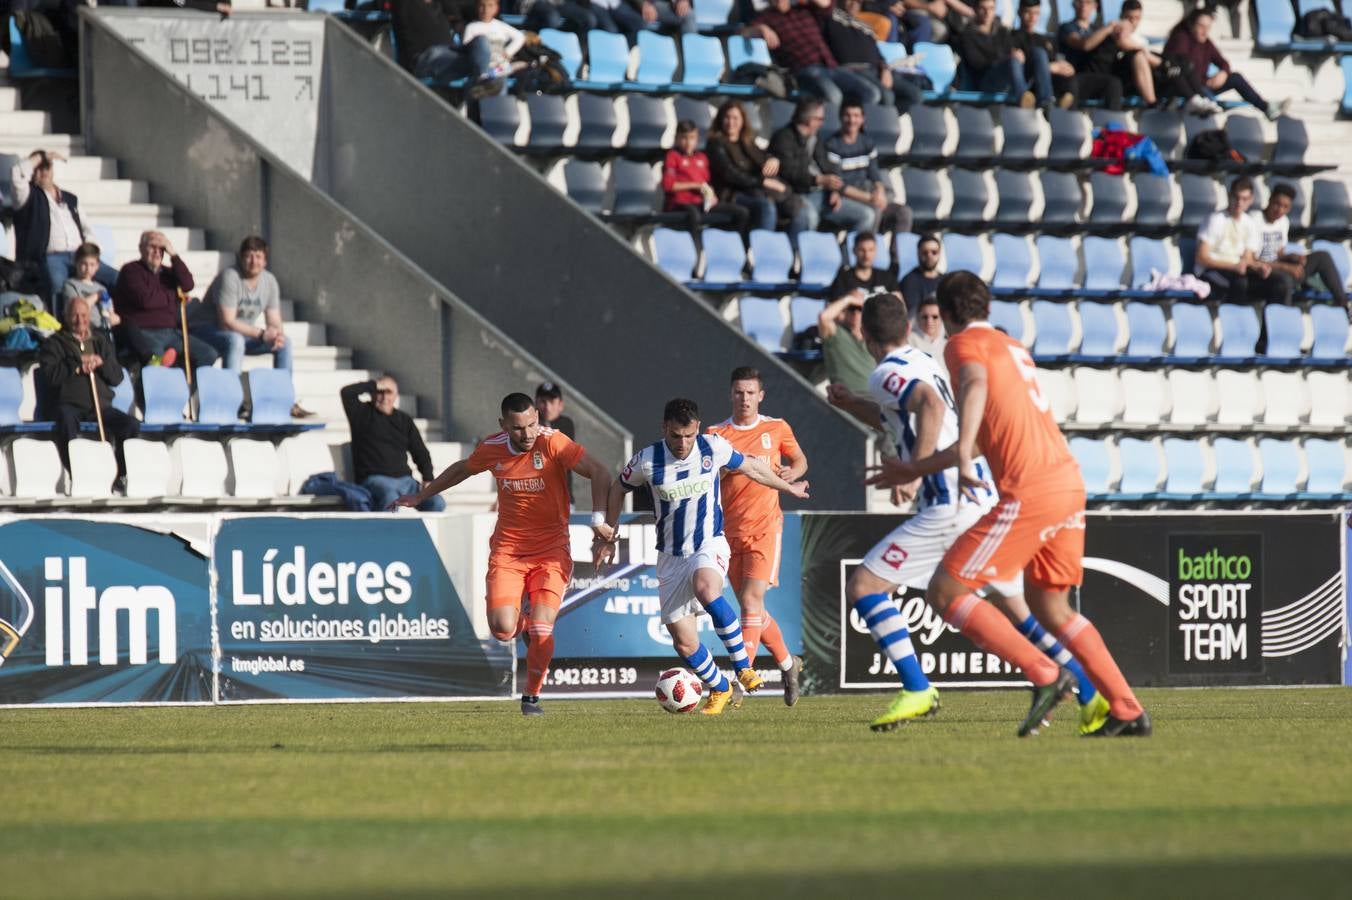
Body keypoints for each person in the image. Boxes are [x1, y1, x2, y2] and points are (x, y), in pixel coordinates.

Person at [868, 272, 1150, 737]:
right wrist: (917, 469)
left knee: (945, 591)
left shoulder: (962, 346)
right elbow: (987, 438)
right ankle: (1126, 709)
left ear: (951, 313)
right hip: (1067, 482)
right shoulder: (1014, 347)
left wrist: (958, 453)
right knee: (1052, 609)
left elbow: (975, 389)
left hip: (1031, 491)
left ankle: (1043, 674)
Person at [827, 292, 1103, 731]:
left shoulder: (885, 372)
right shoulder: (925, 361)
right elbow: (900, 414)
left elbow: (929, 408)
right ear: (906, 327)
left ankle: (919, 688)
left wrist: (914, 471)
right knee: (1017, 608)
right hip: (981, 497)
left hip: (947, 504)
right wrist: (852, 405)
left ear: (863, 334)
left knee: (864, 586)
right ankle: (1090, 696)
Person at [394, 392, 615, 716]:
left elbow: (601, 472)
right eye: (517, 428)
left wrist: (598, 522)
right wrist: (422, 495)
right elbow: (462, 469)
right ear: (503, 425)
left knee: (543, 630)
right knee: (501, 629)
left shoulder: (552, 442)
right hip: (508, 552)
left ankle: (531, 696)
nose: (527, 434)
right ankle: (522, 625)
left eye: (531, 425)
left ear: (538, 419)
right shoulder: (492, 448)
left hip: (551, 551)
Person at [597, 397, 809, 716]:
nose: (683, 443)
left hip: (708, 543)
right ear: (664, 429)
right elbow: (617, 488)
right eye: (675, 436)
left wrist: (786, 487)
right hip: (670, 556)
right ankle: (719, 688)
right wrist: (610, 533)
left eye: (688, 435)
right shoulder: (647, 459)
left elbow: (751, 466)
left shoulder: (713, 447)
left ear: (697, 428)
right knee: (684, 642)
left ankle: (743, 669)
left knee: (707, 589)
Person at [706, 367, 809, 706]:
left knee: (750, 602)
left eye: (751, 393)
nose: (745, 398)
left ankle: (740, 680)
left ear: (761, 395)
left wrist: (791, 472)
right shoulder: (715, 434)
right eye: (739, 392)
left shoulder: (776, 428)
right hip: (728, 532)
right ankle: (788, 663)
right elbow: (708, 476)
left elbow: (799, 460)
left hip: (766, 528)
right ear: (730, 394)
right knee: (754, 610)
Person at [37, 296, 140, 494]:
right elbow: (51, 376)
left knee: (131, 425)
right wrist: (76, 365)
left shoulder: (100, 341)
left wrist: (101, 364)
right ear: (66, 317)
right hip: (70, 404)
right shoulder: (54, 344)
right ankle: (77, 473)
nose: (79, 319)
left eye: (83, 315)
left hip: (100, 407)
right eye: (74, 315)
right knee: (66, 421)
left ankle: (118, 474)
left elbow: (117, 377)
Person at [1059, 0, 1215, 114]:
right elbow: (1085, 44)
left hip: (1120, 75)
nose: (1084, 6)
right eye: (1080, 2)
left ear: (1095, 6)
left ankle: (1195, 98)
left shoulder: (1098, 29)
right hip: (1088, 77)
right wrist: (1111, 27)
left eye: (1088, 3)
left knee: (1180, 63)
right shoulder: (1069, 28)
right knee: (1140, 59)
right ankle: (1161, 101)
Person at [10, 150, 116, 309]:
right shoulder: (27, 196)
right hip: (51, 256)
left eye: (47, 167)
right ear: (32, 172)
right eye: (38, 168)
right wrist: (42, 157)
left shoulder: (70, 198)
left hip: (80, 254)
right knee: (56, 282)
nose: (43, 171)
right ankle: (60, 329)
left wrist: (91, 250)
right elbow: (17, 173)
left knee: (118, 278)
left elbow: (86, 228)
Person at [112, 230, 220, 370]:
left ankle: (186, 389)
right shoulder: (130, 270)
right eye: (153, 247)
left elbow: (188, 284)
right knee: (157, 360)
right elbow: (146, 300)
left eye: (161, 248)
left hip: (171, 332)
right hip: (143, 331)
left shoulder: (169, 273)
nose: (157, 252)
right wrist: (174, 294)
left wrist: (173, 254)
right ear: (141, 248)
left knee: (208, 354)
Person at [747, 0, 886, 108]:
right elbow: (743, 32)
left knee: (871, 94)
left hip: (830, 66)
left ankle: (857, 133)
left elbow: (827, 5)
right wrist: (762, 28)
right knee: (834, 96)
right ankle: (830, 134)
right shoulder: (766, 18)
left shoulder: (806, 10)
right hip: (805, 71)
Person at [341, 376, 446, 513]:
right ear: (373, 393)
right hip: (374, 480)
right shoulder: (361, 413)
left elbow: (420, 451)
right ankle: (386, 534)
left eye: (389, 392)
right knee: (391, 497)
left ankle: (424, 534)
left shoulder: (404, 420)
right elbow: (347, 392)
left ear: (396, 396)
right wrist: (375, 384)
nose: (384, 397)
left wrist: (428, 478)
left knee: (437, 502)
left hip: (406, 481)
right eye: (380, 392)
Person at [189, 236, 292, 374]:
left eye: (258, 256)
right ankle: (232, 392)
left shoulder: (269, 281)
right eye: (249, 256)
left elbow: (274, 319)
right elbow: (227, 322)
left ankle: (283, 392)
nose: (254, 261)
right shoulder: (230, 277)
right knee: (235, 340)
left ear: (265, 261)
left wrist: (277, 335)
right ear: (241, 258)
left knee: (285, 343)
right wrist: (261, 334)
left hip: (242, 334)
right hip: (206, 329)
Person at [1164, 8, 1290, 121]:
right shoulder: (1181, 39)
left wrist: (1223, 73)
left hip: (1202, 85)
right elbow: (1182, 66)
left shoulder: (1206, 43)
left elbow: (1223, 62)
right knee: (1210, 103)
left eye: (1208, 27)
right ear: (1191, 25)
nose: (1205, 31)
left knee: (1235, 78)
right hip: (1185, 88)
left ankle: (1266, 107)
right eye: (1201, 26)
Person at [769, 97, 871, 235]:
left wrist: (833, 190)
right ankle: (799, 253)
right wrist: (817, 180)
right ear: (811, 120)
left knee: (866, 215)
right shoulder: (783, 139)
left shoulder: (815, 139)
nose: (822, 123)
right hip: (795, 194)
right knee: (809, 217)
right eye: (821, 119)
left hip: (821, 195)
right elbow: (789, 172)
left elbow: (828, 165)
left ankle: (850, 254)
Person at [1254, 183, 1351, 313]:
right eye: (1277, 204)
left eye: (1285, 207)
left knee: (1322, 256)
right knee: (1285, 280)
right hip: (1261, 273)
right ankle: (1284, 321)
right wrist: (1286, 267)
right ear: (1270, 199)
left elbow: (1279, 253)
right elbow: (1253, 260)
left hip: (1279, 267)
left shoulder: (1283, 221)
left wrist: (1292, 257)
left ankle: (1343, 306)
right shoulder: (1255, 220)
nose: (1280, 210)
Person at [820, 101, 913, 233]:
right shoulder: (832, 145)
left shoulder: (867, 143)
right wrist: (870, 198)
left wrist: (879, 191)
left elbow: (874, 174)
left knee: (903, 212)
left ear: (862, 119)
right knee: (874, 211)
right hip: (849, 197)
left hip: (868, 193)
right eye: (847, 115)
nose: (852, 120)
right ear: (840, 117)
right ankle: (868, 250)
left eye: (856, 116)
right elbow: (838, 185)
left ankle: (898, 253)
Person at [706, 100, 795, 235]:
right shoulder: (715, 144)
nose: (731, 122)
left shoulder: (747, 142)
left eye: (735, 118)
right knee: (766, 207)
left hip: (753, 190)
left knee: (794, 205)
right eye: (727, 117)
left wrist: (772, 159)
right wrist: (763, 182)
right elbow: (730, 174)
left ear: (742, 121)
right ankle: (763, 248)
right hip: (731, 194)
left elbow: (763, 157)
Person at [820, 234, 894, 396]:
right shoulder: (837, 336)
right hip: (849, 402)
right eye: (852, 309)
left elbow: (899, 309)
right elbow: (825, 317)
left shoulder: (877, 339)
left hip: (877, 401)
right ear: (854, 251)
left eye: (861, 309)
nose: (856, 313)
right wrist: (848, 299)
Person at [821, 0, 922, 112]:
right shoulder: (830, 20)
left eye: (858, 2)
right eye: (849, 0)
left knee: (914, 95)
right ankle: (879, 124)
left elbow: (877, 53)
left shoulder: (865, 27)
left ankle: (886, 121)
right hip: (853, 70)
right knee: (886, 96)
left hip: (875, 71)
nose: (853, 4)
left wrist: (885, 70)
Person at [390, 0, 504, 97]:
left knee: (481, 41)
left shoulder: (440, 4)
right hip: (424, 58)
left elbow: (470, 7)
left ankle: (481, 79)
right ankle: (482, 81)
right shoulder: (403, 3)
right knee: (491, 73)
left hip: (451, 51)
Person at [1195, 177, 1281, 303]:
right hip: (1210, 271)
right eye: (1236, 197)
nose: (1239, 203)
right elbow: (1201, 258)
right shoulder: (1215, 219)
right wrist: (1233, 266)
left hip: (1237, 270)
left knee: (1279, 282)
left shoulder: (1249, 223)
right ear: (1230, 196)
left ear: (1251, 200)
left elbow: (1247, 258)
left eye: (1244, 199)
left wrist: (1258, 267)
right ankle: (1235, 320)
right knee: (1240, 283)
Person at [662, 120, 752, 237]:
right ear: (677, 138)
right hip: (680, 203)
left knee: (742, 213)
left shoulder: (702, 157)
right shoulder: (672, 156)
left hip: (702, 202)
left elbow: (707, 183)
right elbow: (668, 185)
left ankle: (734, 248)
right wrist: (696, 185)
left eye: (692, 138)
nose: (688, 142)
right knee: (694, 215)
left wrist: (712, 195)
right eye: (684, 138)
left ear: (697, 138)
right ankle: (694, 251)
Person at [1010, 0, 1097, 109]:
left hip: (1046, 80)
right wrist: (1049, 67)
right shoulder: (1011, 37)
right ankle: (1046, 102)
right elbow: (1016, 64)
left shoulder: (1044, 40)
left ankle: (1066, 98)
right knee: (1039, 54)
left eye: (1036, 13)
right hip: (1028, 80)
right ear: (1019, 12)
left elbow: (1055, 60)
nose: (1032, 17)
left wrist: (1065, 66)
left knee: (1068, 72)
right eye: (1028, 12)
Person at [956, 0, 1038, 107]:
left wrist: (1017, 55)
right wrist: (1004, 59)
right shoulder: (967, 35)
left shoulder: (1002, 31)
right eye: (983, 8)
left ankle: (1040, 99)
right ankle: (1022, 96)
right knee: (1012, 61)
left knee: (1034, 55)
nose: (987, 12)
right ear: (975, 9)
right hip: (983, 81)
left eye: (991, 8)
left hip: (1003, 77)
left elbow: (1010, 51)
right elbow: (977, 63)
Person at [61, 243, 120, 339]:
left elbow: (109, 308)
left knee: (128, 325)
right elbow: (77, 309)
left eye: (92, 265)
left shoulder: (101, 288)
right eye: (84, 264)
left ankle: (150, 354)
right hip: (87, 328)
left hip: (105, 326)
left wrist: (113, 316)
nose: (88, 268)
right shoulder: (70, 285)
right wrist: (97, 296)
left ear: (97, 266)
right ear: (76, 263)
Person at [899, 232, 941, 314]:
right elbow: (913, 313)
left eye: (934, 252)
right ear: (918, 253)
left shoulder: (946, 281)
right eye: (925, 252)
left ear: (939, 254)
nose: (929, 256)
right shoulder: (909, 281)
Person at [908, 295, 946, 362]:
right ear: (918, 318)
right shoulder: (908, 342)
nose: (929, 321)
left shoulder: (947, 345)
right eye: (925, 317)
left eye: (935, 317)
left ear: (942, 318)